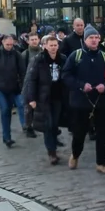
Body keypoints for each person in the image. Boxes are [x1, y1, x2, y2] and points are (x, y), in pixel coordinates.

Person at [63, 25, 105, 174]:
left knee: (103, 133)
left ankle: (101, 163)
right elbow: (66, 75)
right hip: (81, 102)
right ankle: (75, 154)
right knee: (79, 133)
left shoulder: (104, 56)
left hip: (100, 100)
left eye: (97, 38)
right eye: (91, 38)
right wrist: (81, 85)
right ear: (85, 40)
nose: (94, 40)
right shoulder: (76, 55)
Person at [26, 35, 66, 165]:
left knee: (55, 123)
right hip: (44, 97)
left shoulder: (63, 59)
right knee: (48, 124)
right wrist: (31, 98)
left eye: (55, 45)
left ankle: (54, 144)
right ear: (45, 46)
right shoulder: (38, 60)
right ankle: (51, 152)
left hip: (58, 95)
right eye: (51, 45)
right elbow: (32, 79)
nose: (53, 48)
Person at [0, 34, 27, 148]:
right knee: (4, 109)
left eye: (11, 44)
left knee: (17, 106)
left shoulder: (17, 55)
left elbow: (22, 72)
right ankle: (6, 137)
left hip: (14, 87)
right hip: (0, 87)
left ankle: (13, 133)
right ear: (2, 43)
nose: (9, 46)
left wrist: (23, 86)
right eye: (7, 44)